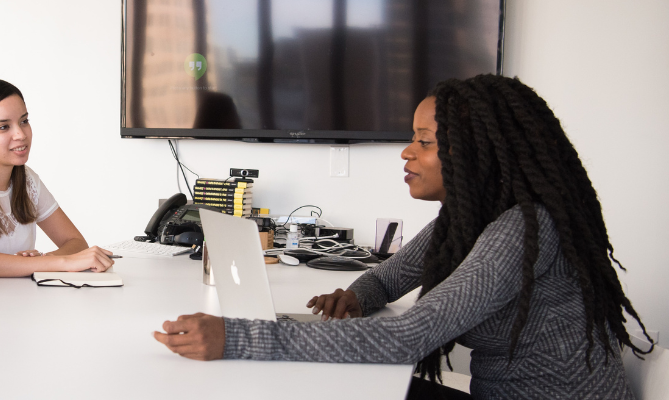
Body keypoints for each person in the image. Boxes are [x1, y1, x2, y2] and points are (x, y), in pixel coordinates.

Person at [152, 75, 652, 398]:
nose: (406, 153)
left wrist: (237, 337)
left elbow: (409, 337)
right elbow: (390, 279)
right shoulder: (468, 219)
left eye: (425, 141)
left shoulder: (523, 229)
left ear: (480, 153)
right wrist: (357, 296)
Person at [0, 79, 114, 278]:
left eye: (24, 121)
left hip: (21, 302)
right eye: (3, 127)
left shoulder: (27, 179)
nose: (21, 134)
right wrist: (51, 263)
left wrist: (39, 261)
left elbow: (75, 242)